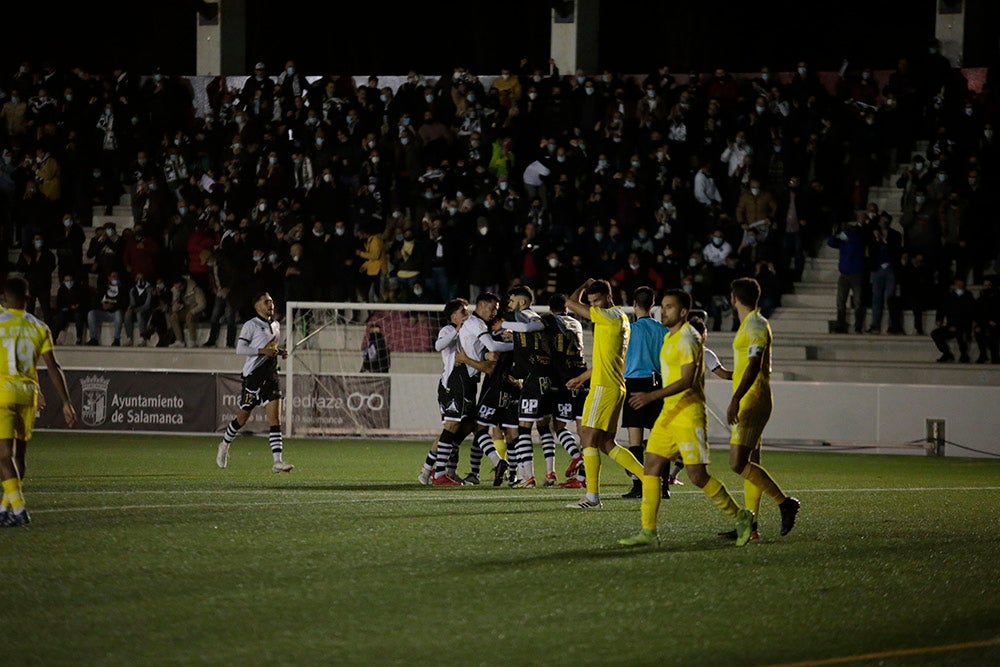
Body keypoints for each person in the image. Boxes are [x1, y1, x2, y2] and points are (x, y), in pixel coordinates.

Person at [620, 290, 753, 547]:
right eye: (664, 306)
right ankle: (648, 530)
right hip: (668, 415)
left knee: (697, 476)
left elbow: (687, 379)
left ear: (682, 312)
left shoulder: (689, 338)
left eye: (670, 307)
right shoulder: (669, 338)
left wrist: (650, 396)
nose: (664, 310)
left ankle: (741, 516)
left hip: (689, 415)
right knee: (651, 469)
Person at [724, 277, 800, 540]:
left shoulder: (756, 324)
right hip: (751, 395)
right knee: (751, 463)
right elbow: (748, 364)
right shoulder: (749, 323)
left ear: (735, 299)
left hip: (752, 399)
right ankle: (750, 526)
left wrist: (736, 398)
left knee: (737, 463)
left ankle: (784, 502)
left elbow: (755, 364)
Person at [562, 278, 645, 509]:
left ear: (609, 297)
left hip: (604, 387)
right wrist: (581, 378)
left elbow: (569, 302)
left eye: (597, 300)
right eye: (591, 302)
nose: (594, 306)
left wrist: (583, 284)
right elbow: (605, 360)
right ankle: (650, 480)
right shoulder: (621, 318)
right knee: (607, 443)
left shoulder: (609, 316)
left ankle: (592, 498)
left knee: (587, 435)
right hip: (613, 384)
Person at [0, 276, 77, 526]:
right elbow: (54, 368)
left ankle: (19, 509)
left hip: (3, 393)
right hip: (28, 394)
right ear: (28, 298)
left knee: (2, 455)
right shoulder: (40, 327)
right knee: (19, 454)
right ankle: (4, 508)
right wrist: (66, 401)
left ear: (4, 298)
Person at [216, 291, 294, 473]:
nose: (270, 305)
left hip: (271, 375)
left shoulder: (275, 325)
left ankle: (277, 461)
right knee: (243, 418)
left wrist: (280, 351)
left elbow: (271, 348)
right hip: (253, 376)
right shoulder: (250, 325)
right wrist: (262, 351)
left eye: (272, 301)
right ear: (257, 306)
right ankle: (225, 445)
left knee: (275, 420)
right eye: (266, 302)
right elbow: (240, 349)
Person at [620, 286, 671, 499]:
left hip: (634, 384)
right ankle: (664, 487)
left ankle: (639, 486)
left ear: (634, 304)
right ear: (652, 305)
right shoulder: (663, 330)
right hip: (658, 384)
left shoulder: (630, 330)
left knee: (635, 439)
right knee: (659, 438)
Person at [826, 219, 867, 334]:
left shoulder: (856, 238)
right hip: (844, 274)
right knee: (840, 301)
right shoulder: (843, 240)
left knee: (858, 302)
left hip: (856, 274)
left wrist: (842, 235)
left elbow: (852, 242)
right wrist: (834, 234)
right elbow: (830, 243)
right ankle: (840, 326)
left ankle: (858, 326)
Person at [931, 278, 975, 363]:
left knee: (960, 334)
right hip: (950, 326)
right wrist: (939, 319)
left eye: (961, 284)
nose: (959, 286)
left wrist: (957, 326)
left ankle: (964, 355)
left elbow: (970, 314)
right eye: (957, 284)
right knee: (935, 333)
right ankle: (947, 354)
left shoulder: (968, 297)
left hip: (963, 326)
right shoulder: (949, 296)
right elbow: (942, 309)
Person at [86, 269, 126, 346]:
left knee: (118, 313)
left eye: (116, 277)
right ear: (109, 278)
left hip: (115, 313)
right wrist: (103, 306)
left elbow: (124, 303)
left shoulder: (122, 289)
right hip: (104, 312)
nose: (115, 278)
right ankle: (93, 339)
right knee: (91, 313)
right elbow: (96, 301)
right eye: (113, 277)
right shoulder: (103, 288)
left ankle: (117, 339)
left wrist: (113, 306)